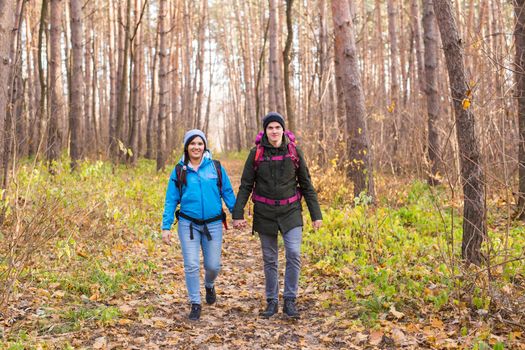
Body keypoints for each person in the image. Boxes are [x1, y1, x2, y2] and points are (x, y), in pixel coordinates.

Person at [232, 112, 322, 319]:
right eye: (270, 127)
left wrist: (316, 214)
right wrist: (238, 214)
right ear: (265, 130)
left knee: (294, 253)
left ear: (283, 130)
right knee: (270, 259)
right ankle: (271, 301)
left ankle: (290, 300)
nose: (274, 131)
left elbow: (306, 185)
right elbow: (246, 185)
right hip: (265, 213)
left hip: (290, 211)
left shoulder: (294, 152)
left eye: (277, 127)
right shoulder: (256, 153)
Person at [162, 129, 236, 321]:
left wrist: (238, 215)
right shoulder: (179, 170)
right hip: (188, 224)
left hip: (213, 225)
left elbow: (227, 192)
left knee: (213, 265)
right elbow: (171, 200)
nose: (196, 147)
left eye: (200, 143)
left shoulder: (215, 167)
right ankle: (195, 303)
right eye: (192, 143)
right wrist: (166, 226)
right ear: (187, 147)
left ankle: (209, 284)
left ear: (205, 146)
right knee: (192, 265)